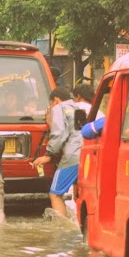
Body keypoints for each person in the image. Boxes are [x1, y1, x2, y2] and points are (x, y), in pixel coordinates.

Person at [32, 86, 90, 220]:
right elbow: (76, 133)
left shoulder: (59, 108)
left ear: (56, 100)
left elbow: (59, 133)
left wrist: (49, 155)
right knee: (80, 193)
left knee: (55, 194)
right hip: (84, 155)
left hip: (71, 157)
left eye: (51, 104)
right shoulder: (77, 109)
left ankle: (61, 228)